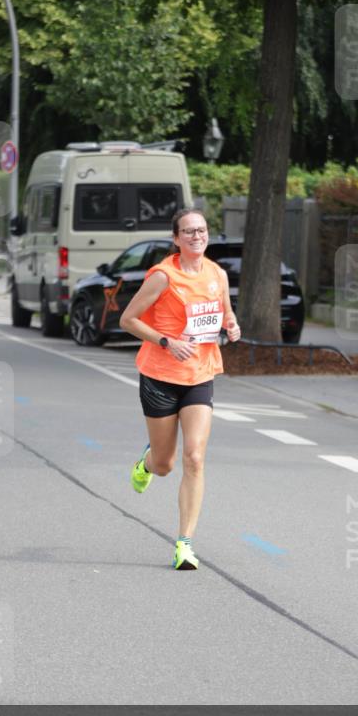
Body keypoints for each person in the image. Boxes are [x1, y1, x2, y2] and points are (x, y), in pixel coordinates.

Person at [119, 208, 241, 570]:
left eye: (201, 230)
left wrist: (232, 326)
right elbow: (128, 320)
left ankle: (184, 544)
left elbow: (226, 314)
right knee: (165, 464)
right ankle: (147, 462)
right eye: (188, 232)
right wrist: (165, 341)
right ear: (176, 239)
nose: (196, 236)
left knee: (195, 457)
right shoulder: (163, 277)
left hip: (200, 374)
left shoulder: (217, 274)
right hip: (160, 375)